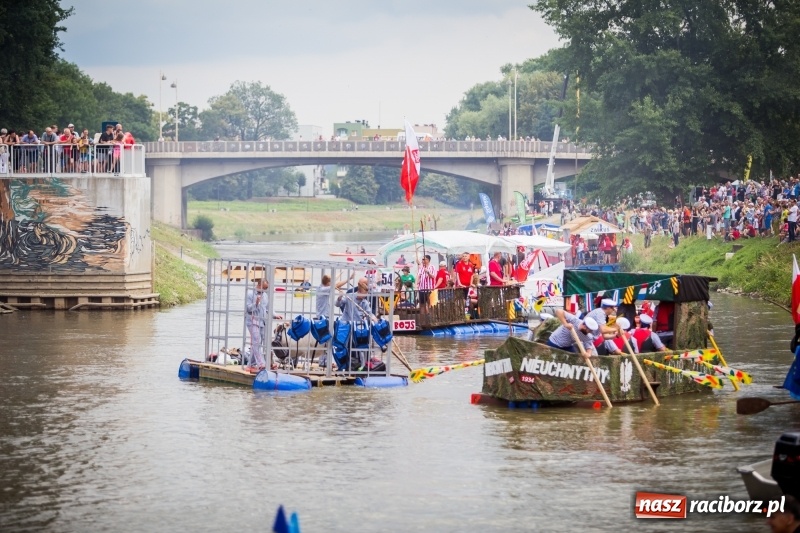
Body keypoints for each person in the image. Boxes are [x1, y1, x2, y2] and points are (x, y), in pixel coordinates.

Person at [245, 279, 283, 372]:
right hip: (252, 321)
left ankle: (251, 364)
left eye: (267, 288)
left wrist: (275, 315)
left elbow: (268, 308)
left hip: (262, 321)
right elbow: (248, 308)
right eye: (265, 288)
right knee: (256, 341)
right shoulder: (250, 294)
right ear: (259, 285)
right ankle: (262, 364)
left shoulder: (265, 295)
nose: (266, 290)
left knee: (260, 342)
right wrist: (256, 303)